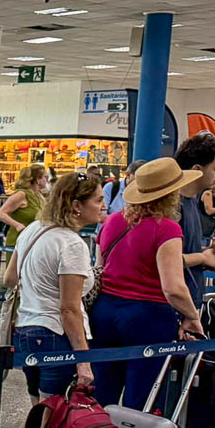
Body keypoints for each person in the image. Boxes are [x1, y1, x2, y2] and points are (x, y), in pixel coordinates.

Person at [0, 172, 106, 428]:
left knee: (38, 415)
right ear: (75, 205)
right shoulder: (72, 245)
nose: (103, 207)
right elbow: (70, 308)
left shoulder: (31, 231)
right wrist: (84, 362)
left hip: (27, 329)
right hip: (56, 335)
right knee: (53, 421)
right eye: (97, 201)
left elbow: (10, 278)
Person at [88, 158, 206, 410]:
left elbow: (101, 266)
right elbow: (173, 287)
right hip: (148, 317)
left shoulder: (112, 221)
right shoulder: (167, 229)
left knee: (101, 396)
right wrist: (192, 316)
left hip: (105, 311)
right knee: (142, 401)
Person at [174, 133, 215, 307]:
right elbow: (163, 261)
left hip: (189, 299)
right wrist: (203, 257)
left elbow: (184, 250)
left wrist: (212, 250)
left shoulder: (191, 200)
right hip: (172, 304)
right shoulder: (172, 207)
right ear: (197, 170)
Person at [0, 164, 49, 248]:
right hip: (19, 241)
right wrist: (17, 225)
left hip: (35, 240)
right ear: (37, 179)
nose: (47, 181)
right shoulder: (21, 194)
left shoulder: (39, 195)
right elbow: (1, 213)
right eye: (45, 177)